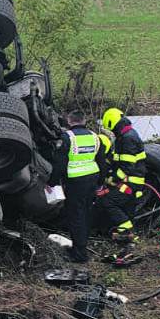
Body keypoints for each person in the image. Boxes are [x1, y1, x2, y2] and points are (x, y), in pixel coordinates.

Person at [97, 107, 147, 244]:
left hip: (130, 182)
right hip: (131, 181)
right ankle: (128, 237)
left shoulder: (127, 139)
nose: (112, 133)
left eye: (112, 129)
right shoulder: (126, 136)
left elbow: (127, 167)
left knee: (108, 201)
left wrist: (111, 178)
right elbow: (118, 159)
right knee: (127, 208)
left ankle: (126, 230)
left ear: (115, 124)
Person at [59, 110, 100, 262]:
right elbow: (100, 160)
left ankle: (80, 254)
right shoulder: (95, 137)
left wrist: (53, 182)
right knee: (86, 214)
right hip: (92, 180)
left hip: (75, 182)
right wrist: (100, 182)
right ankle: (82, 245)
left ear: (69, 121)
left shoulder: (67, 137)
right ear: (84, 121)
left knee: (76, 216)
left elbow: (60, 163)